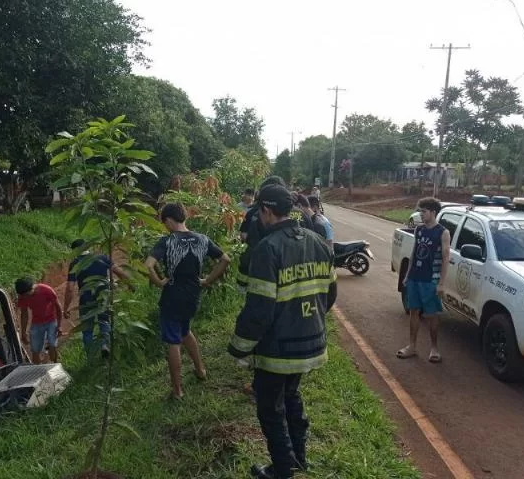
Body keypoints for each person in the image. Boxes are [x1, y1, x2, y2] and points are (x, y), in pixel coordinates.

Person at [228, 184, 337, 479]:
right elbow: (330, 295)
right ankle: (299, 458)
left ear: (265, 210)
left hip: (277, 350)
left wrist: (238, 347)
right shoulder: (317, 241)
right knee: (291, 395)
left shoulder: (268, 249)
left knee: (270, 408)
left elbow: (259, 310)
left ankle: (283, 470)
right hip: (310, 343)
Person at [145, 203, 231, 400]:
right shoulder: (202, 239)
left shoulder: (167, 241)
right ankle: (200, 370)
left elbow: (148, 265)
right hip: (193, 295)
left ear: (168, 220)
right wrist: (207, 280)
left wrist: (159, 282)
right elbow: (225, 259)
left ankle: (177, 391)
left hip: (172, 296)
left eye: (164, 222)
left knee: (173, 342)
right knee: (185, 331)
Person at [396, 197, 450, 363]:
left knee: (431, 315)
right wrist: (407, 275)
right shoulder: (419, 230)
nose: (421, 214)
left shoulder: (443, 232)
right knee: (414, 312)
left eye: (424, 211)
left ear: (433, 212)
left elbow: (445, 258)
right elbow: (414, 253)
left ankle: (434, 348)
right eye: (420, 211)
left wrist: (441, 283)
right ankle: (411, 346)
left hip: (430, 280)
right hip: (414, 278)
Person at [63, 239, 133, 359]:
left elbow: (70, 288)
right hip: (103, 297)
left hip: (86, 300)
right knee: (104, 323)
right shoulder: (102, 257)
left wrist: (66, 307)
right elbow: (120, 272)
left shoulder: (76, 263)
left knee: (87, 330)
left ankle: (91, 357)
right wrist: (131, 285)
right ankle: (105, 345)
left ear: (75, 251)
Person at [15, 276, 63, 364]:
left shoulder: (47, 290)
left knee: (52, 345)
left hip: (51, 321)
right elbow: (24, 314)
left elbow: (58, 307)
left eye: (26, 294)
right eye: (23, 295)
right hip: (37, 323)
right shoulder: (23, 297)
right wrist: (23, 332)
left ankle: (55, 364)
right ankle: (37, 370)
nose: (25, 297)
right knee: (35, 350)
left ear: (32, 288)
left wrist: (59, 326)